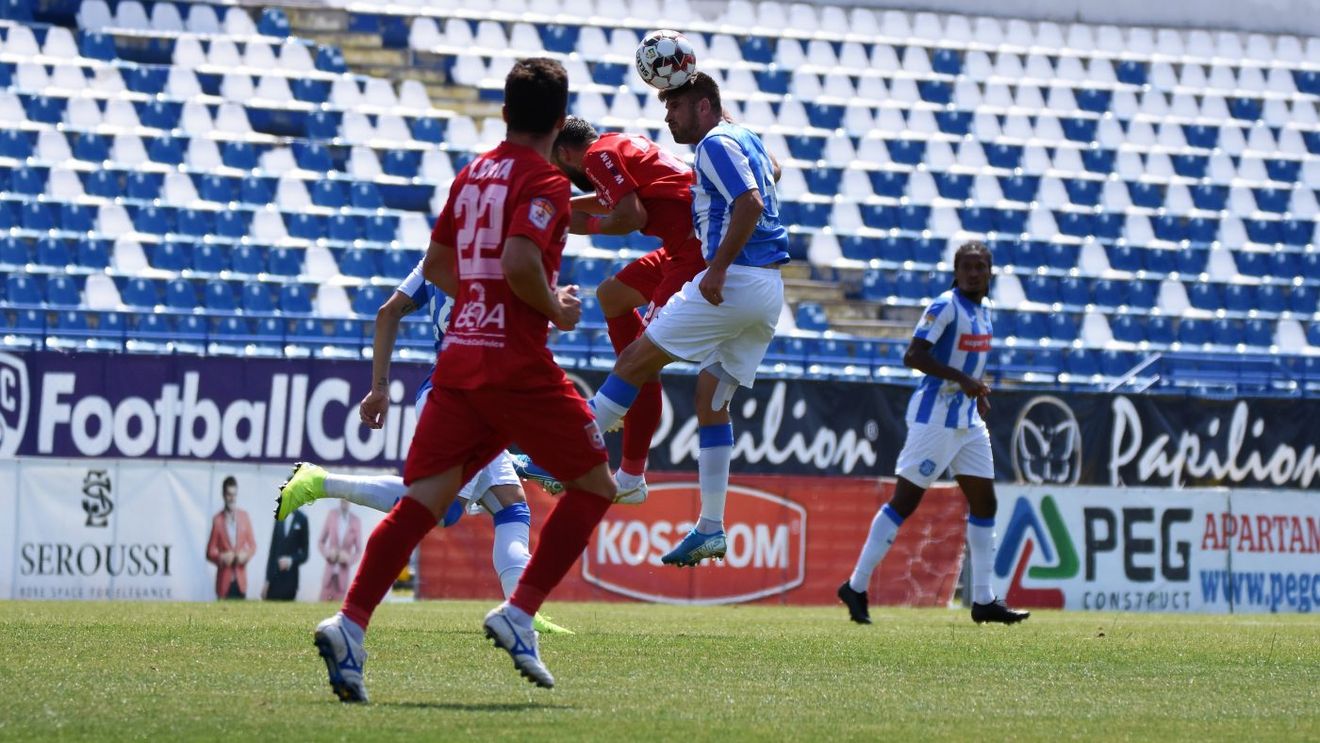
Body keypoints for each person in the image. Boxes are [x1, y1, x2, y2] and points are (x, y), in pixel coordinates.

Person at [311, 58, 616, 702]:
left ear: (505, 113)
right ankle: (519, 610)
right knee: (595, 485)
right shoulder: (546, 181)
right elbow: (520, 260)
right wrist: (554, 308)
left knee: (423, 501)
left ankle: (350, 625)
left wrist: (481, 299)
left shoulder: (472, 172)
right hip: (516, 363)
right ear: (561, 121)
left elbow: (440, 267)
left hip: (458, 362)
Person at [276, 255, 570, 634]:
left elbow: (387, 313)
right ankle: (318, 482)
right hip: (463, 397)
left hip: (449, 390)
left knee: (510, 503)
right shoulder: (511, 264)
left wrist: (379, 389)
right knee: (442, 509)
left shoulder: (438, 260)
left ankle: (522, 614)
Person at [581, 72, 789, 568]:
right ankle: (711, 528)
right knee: (711, 399)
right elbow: (771, 174)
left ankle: (566, 457)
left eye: (674, 106)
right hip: (769, 290)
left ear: (701, 106)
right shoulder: (744, 138)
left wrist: (716, 269)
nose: (666, 117)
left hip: (732, 280)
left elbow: (751, 201)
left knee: (633, 361)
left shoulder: (714, 144)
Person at [836, 241, 1030, 626]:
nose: (974, 273)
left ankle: (984, 600)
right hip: (935, 419)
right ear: (956, 272)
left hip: (968, 422)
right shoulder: (944, 306)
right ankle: (855, 586)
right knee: (905, 502)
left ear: (990, 272)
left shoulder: (985, 311)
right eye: (968, 267)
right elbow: (913, 356)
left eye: (981, 267)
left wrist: (975, 392)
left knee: (985, 503)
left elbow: (968, 364)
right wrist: (963, 381)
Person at [549, 116, 708, 503]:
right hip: (681, 247)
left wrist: (591, 224)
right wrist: (561, 210)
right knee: (612, 295)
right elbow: (610, 203)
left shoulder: (596, 158)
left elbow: (630, 215)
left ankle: (625, 467)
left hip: (695, 251)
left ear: (567, 153)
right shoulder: (618, 143)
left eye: (556, 165)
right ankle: (627, 393)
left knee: (638, 361)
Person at [206, 476, 255, 600]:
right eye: (229, 495)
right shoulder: (218, 520)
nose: (232, 498)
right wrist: (221, 557)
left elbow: (252, 545)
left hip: (240, 580)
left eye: (234, 495)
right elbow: (210, 552)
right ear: (223, 495)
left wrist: (246, 555)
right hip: (224, 581)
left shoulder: (244, 517)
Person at [319, 500, 362, 602]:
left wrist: (348, 558)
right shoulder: (331, 515)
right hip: (329, 573)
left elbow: (359, 550)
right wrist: (328, 553)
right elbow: (321, 542)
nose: (345, 500)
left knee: (337, 611)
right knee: (320, 608)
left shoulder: (356, 521)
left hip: (342, 575)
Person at [263, 504, 308, 600]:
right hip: (275, 578)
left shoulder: (302, 519)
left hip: (290, 580)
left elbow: (305, 554)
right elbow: (273, 550)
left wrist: (290, 560)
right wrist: (267, 580)